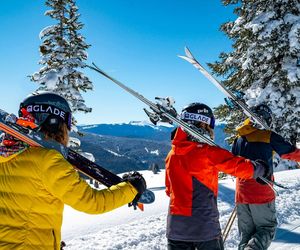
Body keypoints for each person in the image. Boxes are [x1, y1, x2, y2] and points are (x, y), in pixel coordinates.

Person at [0, 92, 147, 250]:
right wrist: (132, 188)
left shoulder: (5, 155)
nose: (68, 130)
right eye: (67, 122)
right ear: (54, 121)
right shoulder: (48, 161)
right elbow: (92, 202)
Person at [165, 102, 271, 250]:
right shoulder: (208, 152)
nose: (211, 131)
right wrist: (261, 168)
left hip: (175, 230)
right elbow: (238, 166)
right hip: (204, 228)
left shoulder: (172, 154)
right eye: (209, 127)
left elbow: (169, 190)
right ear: (202, 125)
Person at [232, 103, 300, 250]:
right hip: (261, 191)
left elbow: (233, 162)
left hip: (241, 193)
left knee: (246, 235)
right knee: (266, 228)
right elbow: (290, 152)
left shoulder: (239, 138)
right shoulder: (268, 136)